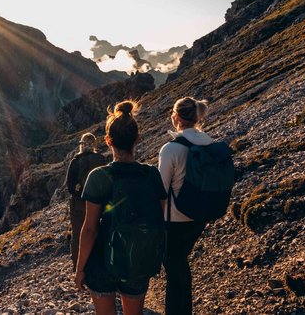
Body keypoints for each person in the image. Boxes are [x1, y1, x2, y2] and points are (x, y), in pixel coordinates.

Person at [75, 100, 166, 315]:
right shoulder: (152, 174)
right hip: (138, 260)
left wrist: (80, 269)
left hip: (101, 263)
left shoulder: (99, 177)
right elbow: (160, 217)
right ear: (137, 139)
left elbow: (90, 228)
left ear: (108, 141)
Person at [158, 97, 211, 315]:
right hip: (200, 216)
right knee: (179, 262)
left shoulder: (171, 148)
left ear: (176, 117)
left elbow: (160, 189)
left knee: (173, 265)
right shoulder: (209, 142)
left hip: (175, 219)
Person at [66, 132, 106, 269]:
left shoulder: (76, 161)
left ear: (81, 145)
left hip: (79, 203)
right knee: (97, 230)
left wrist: (78, 190)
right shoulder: (101, 159)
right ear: (94, 145)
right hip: (99, 203)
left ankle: (78, 266)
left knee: (78, 233)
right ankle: (98, 263)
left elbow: (69, 186)